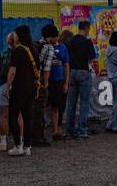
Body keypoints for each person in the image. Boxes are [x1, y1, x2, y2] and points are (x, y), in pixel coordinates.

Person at [6, 27, 39, 156]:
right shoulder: (34, 49)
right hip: (31, 87)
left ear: (19, 36)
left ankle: (17, 145)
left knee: (13, 116)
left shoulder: (18, 50)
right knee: (28, 117)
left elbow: (12, 71)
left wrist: (8, 86)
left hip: (19, 87)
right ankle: (27, 146)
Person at [64, 20, 97, 140]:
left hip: (72, 73)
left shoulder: (70, 41)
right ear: (87, 28)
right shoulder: (87, 42)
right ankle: (82, 130)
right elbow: (92, 57)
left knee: (71, 103)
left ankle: (69, 130)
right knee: (84, 103)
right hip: (83, 72)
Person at [33, 24, 60, 147]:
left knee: (32, 109)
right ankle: (38, 137)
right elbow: (46, 69)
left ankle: (31, 134)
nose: (57, 40)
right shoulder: (49, 47)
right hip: (40, 81)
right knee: (40, 108)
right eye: (56, 37)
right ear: (52, 37)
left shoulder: (36, 44)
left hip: (30, 81)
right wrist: (46, 84)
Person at [47, 29, 70, 139]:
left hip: (58, 80)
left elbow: (66, 65)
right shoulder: (45, 47)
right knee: (46, 106)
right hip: (47, 81)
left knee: (57, 106)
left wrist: (66, 82)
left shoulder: (62, 48)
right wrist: (49, 63)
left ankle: (56, 129)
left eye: (54, 37)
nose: (52, 39)